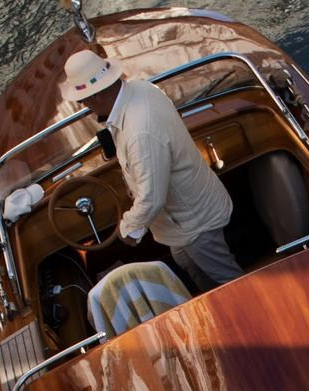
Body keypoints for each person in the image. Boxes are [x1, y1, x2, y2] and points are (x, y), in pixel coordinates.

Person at [61, 48, 245, 293]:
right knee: (194, 270)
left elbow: (152, 197)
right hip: (184, 221)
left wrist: (127, 229)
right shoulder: (141, 89)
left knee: (231, 282)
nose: (84, 106)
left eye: (82, 100)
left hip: (194, 224)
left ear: (95, 97)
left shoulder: (139, 133)